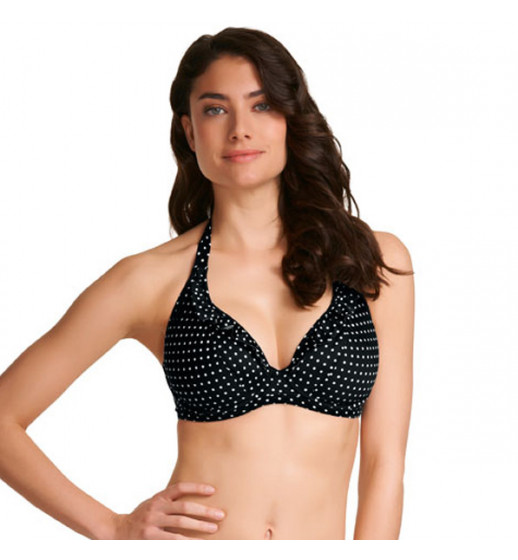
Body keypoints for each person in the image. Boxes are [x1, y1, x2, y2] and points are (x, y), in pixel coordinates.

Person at [0, 27, 414, 540]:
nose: (240, 129)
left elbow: (384, 463)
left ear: (290, 119)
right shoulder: (150, 279)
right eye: (216, 109)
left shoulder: (371, 262)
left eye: (262, 105)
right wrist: (113, 527)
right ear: (190, 132)